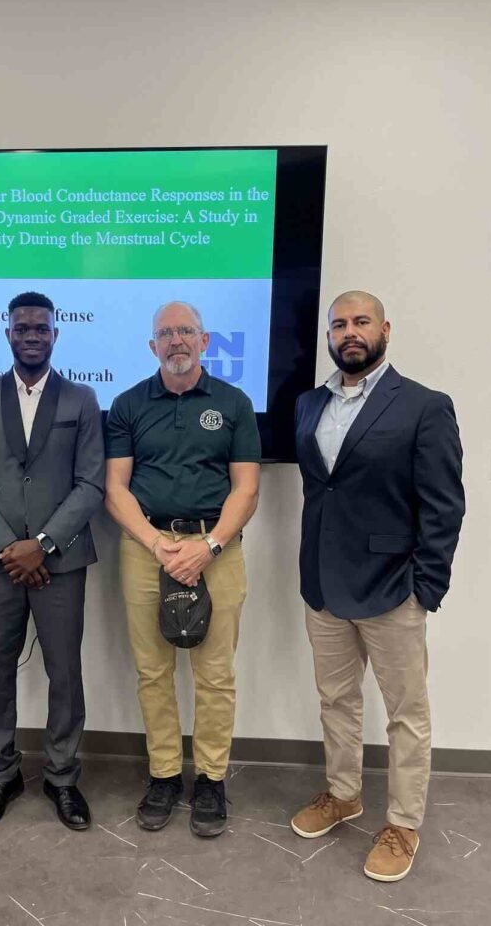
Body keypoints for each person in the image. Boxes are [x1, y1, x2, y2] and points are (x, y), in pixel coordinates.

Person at [290, 290, 464, 882]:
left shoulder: (423, 406)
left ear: (385, 328)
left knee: (405, 713)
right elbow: (325, 492)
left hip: (393, 588)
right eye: (338, 324)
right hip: (323, 585)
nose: (349, 332)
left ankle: (403, 823)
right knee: (336, 701)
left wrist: (425, 587)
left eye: (361, 321)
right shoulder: (308, 405)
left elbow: (443, 507)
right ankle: (343, 795)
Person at [105, 301, 260, 837]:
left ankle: (212, 780)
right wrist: (155, 543)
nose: (176, 341)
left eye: (186, 332)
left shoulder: (233, 403)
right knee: (153, 671)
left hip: (216, 548)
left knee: (215, 675)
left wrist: (209, 545)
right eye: (166, 333)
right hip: (146, 548)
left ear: (205, 341)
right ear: (153, 346)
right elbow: (116, 489)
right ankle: (165, 774)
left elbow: (246, 487)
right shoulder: (127, 405)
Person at [0, 291, 105, 832]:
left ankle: (63, 778)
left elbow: (92, 482)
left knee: (65, 672)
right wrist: (7, 546)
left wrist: (41, 544)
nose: (32, 335)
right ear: (8, 334)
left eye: (42, 328)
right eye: (23, 328)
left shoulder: (83, 400)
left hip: (60, 562)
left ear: (55, 335)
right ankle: (1, 774)